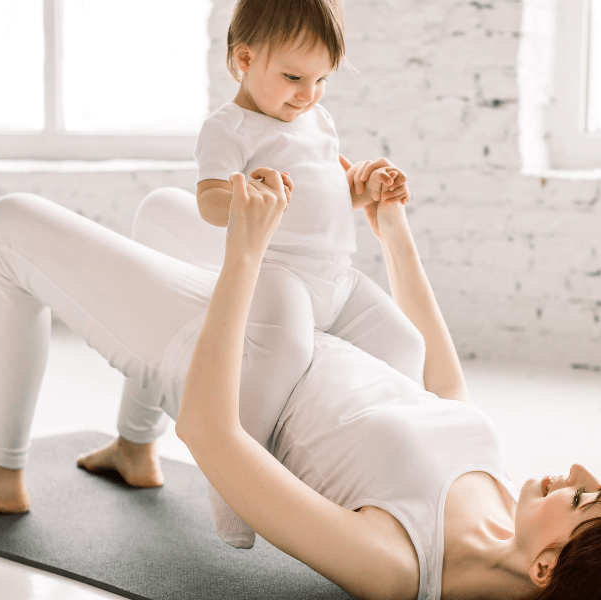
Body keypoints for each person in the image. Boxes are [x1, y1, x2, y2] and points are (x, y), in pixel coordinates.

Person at [0, 175, 601, 599]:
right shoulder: (505, 508)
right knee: (161, 211)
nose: (574, 475)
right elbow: (441, 379)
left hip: (224, 360)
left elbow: (216, 437)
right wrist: (394, 233)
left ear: (547, 569)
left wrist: (245, 260)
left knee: (10, 223)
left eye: (581, 500)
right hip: (296, 329)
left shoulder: (396, 564)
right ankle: (131, 450)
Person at [186, 0, 427, 548]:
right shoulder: (230, 127)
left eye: (322, 79)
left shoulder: (317, 119)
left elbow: (331, 190)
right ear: (243, 59)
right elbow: (208, 202)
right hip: (279, 274)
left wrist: (363, 190)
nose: (308, 93)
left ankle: (391, 467)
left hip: (336, 278)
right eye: (293, 77)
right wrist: (249, 194)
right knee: (284, 354)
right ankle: (231, 487)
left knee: (405, 344)